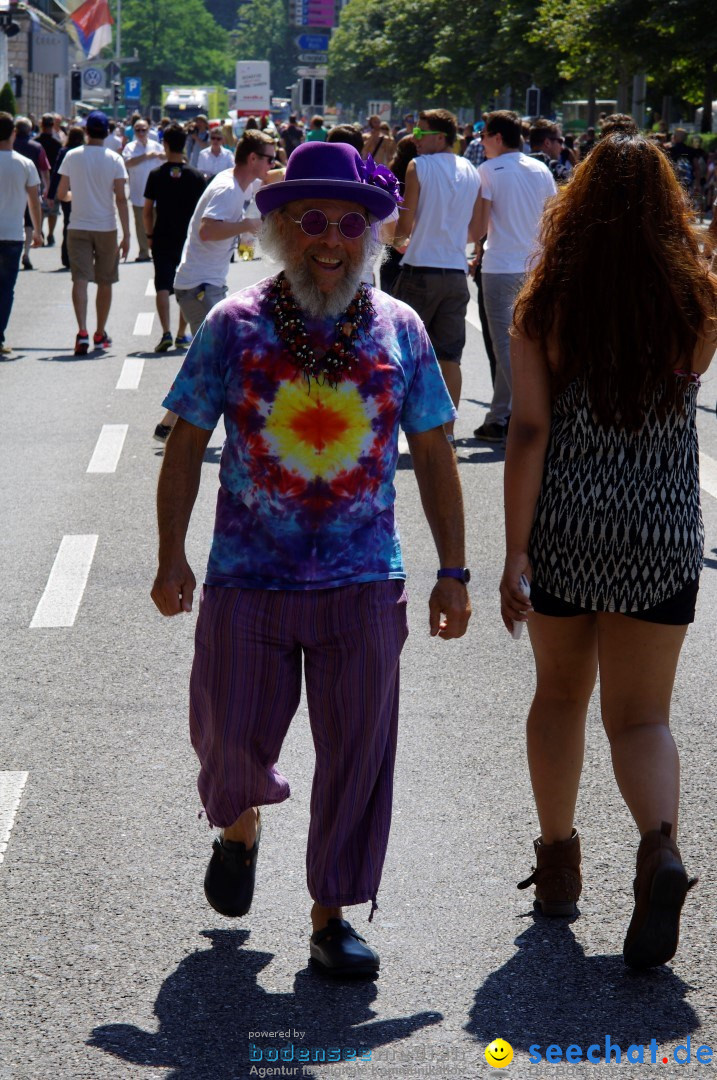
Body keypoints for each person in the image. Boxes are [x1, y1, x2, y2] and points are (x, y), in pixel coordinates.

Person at [150, 141, 471, 977]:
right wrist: (169, 555)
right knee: (227, 741)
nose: (331, 239)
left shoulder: (400, 330)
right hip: (247, 581)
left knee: (357, 754)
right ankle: (239, 821)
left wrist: (454, 570)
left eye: (349, 224)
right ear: (284, 228)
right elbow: (185, 442)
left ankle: (332, 914)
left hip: (364, 584)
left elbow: (434, 454)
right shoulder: (235, 323)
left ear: (370, 236)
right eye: (313, 221)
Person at [500, 133, 717, 969]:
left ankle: (557, 864)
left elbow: (527, 430)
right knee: (642, 716)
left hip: (567, 525)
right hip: (660, 528)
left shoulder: (547, 298)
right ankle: (658, 848)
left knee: (559, 695)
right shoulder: (697, 298)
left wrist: (514, 550)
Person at [152, 130, 276, 441]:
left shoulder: (239, 181)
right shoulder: (228, 190)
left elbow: (277, 176)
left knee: (207, 358)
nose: (272, 164)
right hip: (199, 286)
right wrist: (247, 225)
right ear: (252, 159)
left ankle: (168, 425)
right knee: (221, 358)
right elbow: (208, 231)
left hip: (207, 284)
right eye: (269, 158)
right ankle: (218, 428)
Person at [392, 109, 482, 445]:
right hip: (456, 273)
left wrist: (393, 242)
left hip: (420, 269)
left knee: (401, 353)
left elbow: (405, 224)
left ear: (441, 137)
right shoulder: (471, 170)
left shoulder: (419, 167)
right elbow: (477, 230)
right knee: (449, 356)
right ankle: (447, 434)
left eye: (421, 130)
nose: (414, 136)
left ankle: (393, 428)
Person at [472, 110, 556, 443]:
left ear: (496, 137)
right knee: (531, 338)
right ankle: (498, 415)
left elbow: (479, 227)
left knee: (505, 343)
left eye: (483, 136)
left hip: (501, 265)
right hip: (537, 265)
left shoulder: (488, 171)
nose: (481, 143)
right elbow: (552, 219)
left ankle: (529, 409)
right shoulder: (541, 168)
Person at [56, 110, 130, 355]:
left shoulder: (72, 156)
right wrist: (127, 234)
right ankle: (100, 332)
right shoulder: (114, 159)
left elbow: (61, 194)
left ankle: (82, 332)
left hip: (77, 224)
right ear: (107, 133)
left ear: (86, 131)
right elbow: (120, 198)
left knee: (79, 279)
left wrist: (75, 195)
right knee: (105, 281)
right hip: (106, 225)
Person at [142, 123, 206, 354]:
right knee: (184, 285)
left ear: (165, 145)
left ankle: (165, 332)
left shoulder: (156, 174)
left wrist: (149, 234)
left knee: (162, 284)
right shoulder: (197, 176)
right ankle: (181, 334)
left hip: (162, 235)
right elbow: (202, 212)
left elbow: (147, 210)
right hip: (187, 238)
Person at [0, 111, 43, 357]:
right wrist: (37, 231)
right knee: (6, 289)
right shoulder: (24, 163)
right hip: (13, 235)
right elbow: (34, 202)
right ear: (13, 133)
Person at [122, 118, 165, 261]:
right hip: (138, 192)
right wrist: (145, 156)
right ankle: (143, 251)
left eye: (143, 129)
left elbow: (167, 160)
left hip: (156, 193)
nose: (141, 132)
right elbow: (127, 163)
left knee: (156, 224)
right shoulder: (130, 147)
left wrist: (162, 155)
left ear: (149, 130)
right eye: (137, 130)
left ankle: (157, 250)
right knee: (140, 224)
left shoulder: (157, 146)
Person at [47, 124, 86, 270]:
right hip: (82, 192)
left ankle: (66, 257)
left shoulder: (64, 151)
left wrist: (51, 195)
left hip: (67, 192)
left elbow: (56, 173)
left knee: (68, 223)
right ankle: (80, 256)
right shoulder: (84, 152)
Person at [35, 113, 62, 246]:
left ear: (41, 125)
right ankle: (51, 234)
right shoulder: (57, 143)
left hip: (37, 178)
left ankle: (39, 231)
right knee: (53, 210)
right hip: (53, 179)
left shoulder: (35, 142)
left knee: (39, 207)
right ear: (53, 125)